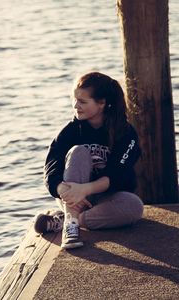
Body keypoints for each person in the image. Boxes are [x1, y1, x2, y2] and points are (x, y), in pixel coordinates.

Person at [34, 71, 144, 250]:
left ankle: (66, 220)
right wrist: (63, 189)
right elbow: (51, 166)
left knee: (134, 207)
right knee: (79, 152)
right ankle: (71, 225)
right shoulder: (71, 131)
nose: (75, 105)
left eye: (83, 102)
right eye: (74, 99)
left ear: (101, 103)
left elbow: (116, 175)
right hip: (72, 196)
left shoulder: (125, 133)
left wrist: (84, 190)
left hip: (106, 197)